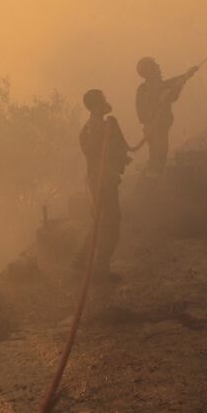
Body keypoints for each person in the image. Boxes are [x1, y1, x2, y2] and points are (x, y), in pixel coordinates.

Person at [78, 89, 135, 280]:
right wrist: (107, 131)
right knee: (111, 223)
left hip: (101, 179)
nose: (105, 103)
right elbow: (95, 152)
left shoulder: (97, 126)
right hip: (103, 181)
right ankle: (100, 269)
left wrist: (121, 157)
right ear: (95, 105)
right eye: (102, 101)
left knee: (100, 221)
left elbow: (106, 152)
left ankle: (81, 260)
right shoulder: (95, 127)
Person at [134, 57, 198, 175]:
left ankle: (152, 180)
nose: (158, 67)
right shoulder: (146, 89)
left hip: (158, 128)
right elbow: (171, 95)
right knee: (158, 157)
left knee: (159, 157)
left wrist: (187, 75)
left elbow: (170, 85)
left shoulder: (154, 87)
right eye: (154, 65)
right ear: (149, 71)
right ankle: (151, 184)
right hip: (155, 129)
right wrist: (184, 78)